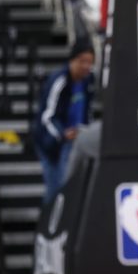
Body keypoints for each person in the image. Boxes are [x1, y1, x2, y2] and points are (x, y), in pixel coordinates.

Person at [33, 40, 95, 203]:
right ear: (72, 60)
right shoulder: (59, 81)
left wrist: (85, 131)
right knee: (56, 189)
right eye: (82, 61)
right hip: (53, 143)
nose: (86, 66)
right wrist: (62, 134)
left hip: (76, 140)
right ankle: (48, 226)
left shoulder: (88, 82)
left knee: (74, 189)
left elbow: (87, 112)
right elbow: (47, 117)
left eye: (90, 62)